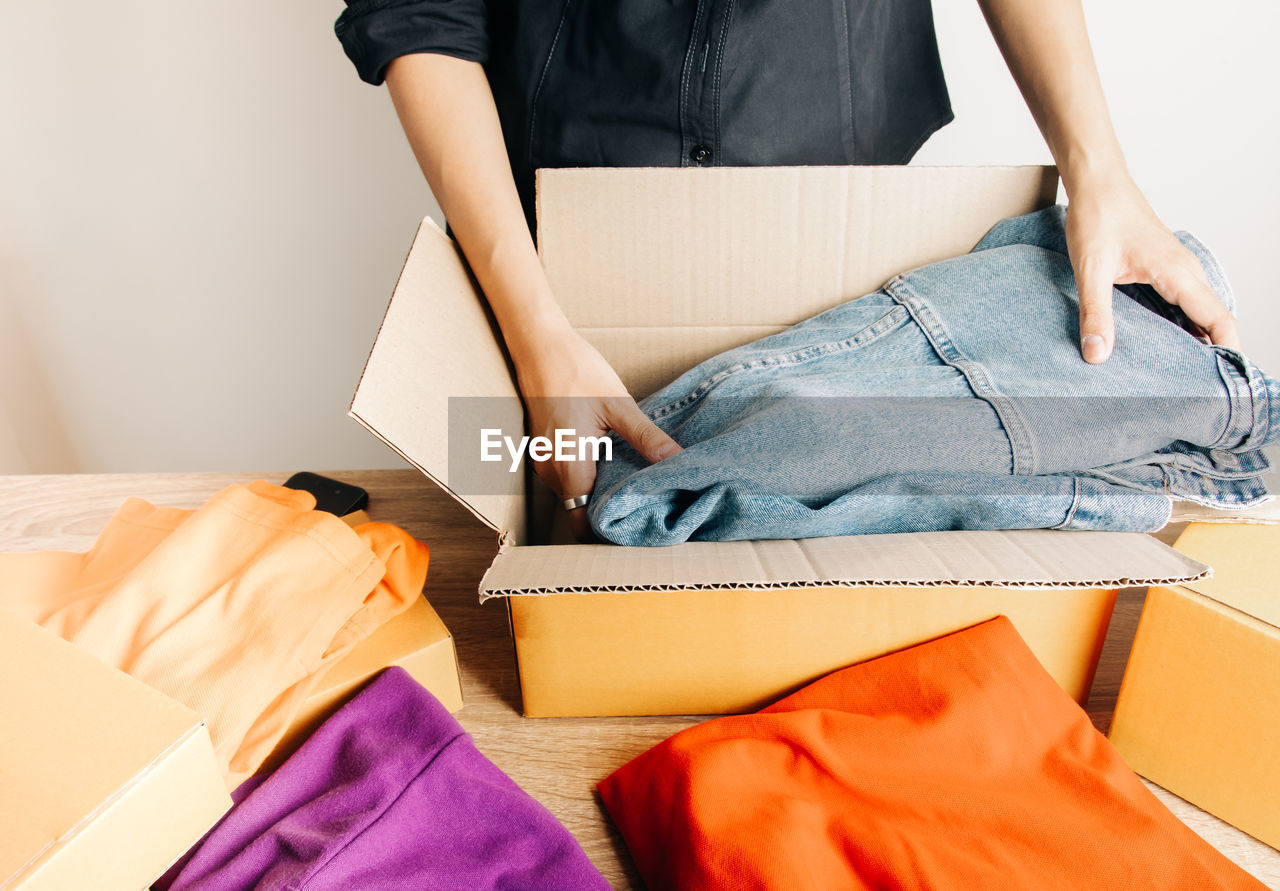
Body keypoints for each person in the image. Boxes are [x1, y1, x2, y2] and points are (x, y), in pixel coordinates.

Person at [334, 0, 1240, 538]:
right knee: (537, 482)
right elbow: (420, 12)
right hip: (556, 232)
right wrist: (535, 335)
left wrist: (1101, 171)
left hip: (855, 194)